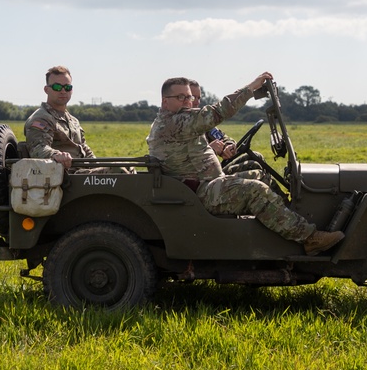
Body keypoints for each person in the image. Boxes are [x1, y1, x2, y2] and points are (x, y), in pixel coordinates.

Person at [147, 73, 343, 255]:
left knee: (259, 173)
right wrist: (251, 88)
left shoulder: (180, 120)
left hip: (208, 182)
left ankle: (287, 218)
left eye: (189, 97)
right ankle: (309, 238)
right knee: (254, 190)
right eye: (180, 97)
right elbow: (219, 111)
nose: (187, 102)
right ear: (165, 101)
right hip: (199, 191)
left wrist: (227, 146)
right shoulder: (174, 122)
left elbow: (218, 133)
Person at [24, 65, 98, 170]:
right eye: (57, 87)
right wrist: (57, 155)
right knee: (120, 171)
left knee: (126, 170)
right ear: (46, 90)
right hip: (62, 176)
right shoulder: (41, 118)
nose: (63, 91)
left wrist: (98, 166)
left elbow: (84, 149)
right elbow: (38, 148)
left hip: (83, 175)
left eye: (67, 87)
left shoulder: (73, 121)